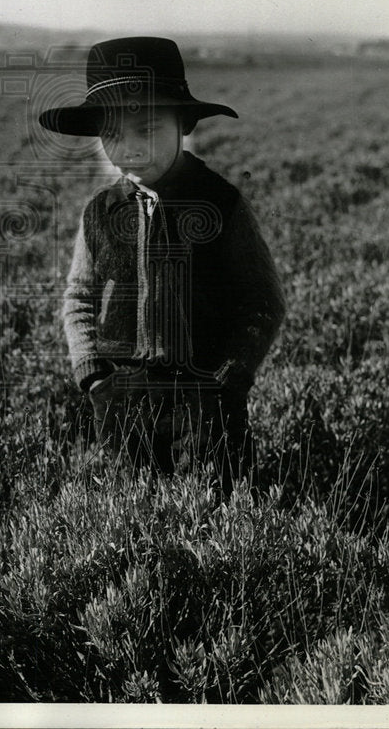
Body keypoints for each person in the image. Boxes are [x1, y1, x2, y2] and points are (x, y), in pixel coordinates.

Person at [39, 37, 285, 494]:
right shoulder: (100, 211)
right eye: (112, 135)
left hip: (206, 400)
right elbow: (78, 296)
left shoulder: (221, 203)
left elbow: (262, 300)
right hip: (122, 402)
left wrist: (229, 380)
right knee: (134, 521)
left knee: (217, 513)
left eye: (146, 130)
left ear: (182, 125)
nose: (128, 149)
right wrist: (93, 373)